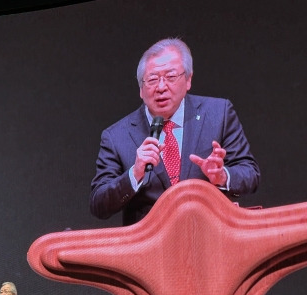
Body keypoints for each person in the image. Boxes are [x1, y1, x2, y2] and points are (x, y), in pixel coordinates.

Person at [90, 37, 260, 227]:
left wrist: (222, 176)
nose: (161, 87)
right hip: (149, 247)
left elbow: (250, 174)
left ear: (188, 80)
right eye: (152, 80)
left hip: (212, 235)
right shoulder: (116, 136)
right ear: (141, 89)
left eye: (171, 77)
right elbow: (99, 204)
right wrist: (134, 174)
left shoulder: (218, 114)